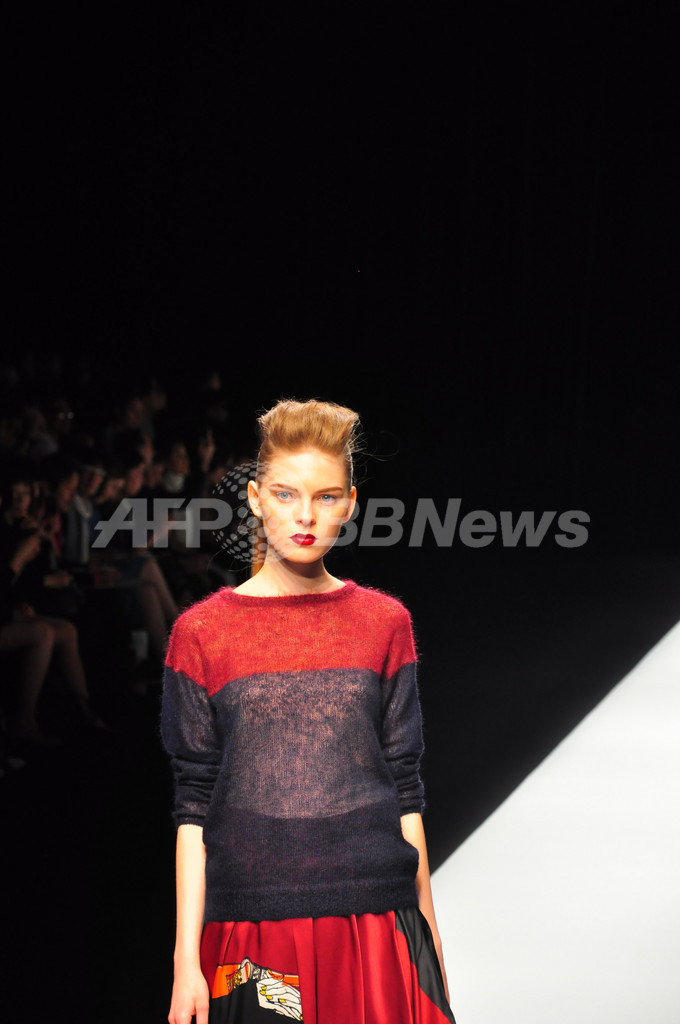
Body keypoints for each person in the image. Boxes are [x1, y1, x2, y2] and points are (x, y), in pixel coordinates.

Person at [160, 398, 456, 1024]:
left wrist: (429, 950)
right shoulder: (202, 633)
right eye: (286, 494)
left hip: (376, 925)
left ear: (350, 504)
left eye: (325, 497)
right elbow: (193, 806)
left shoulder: (384, 623)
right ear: (255, 498)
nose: (305, 515)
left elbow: (406, 792)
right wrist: (186, 960)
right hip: (251, 930)